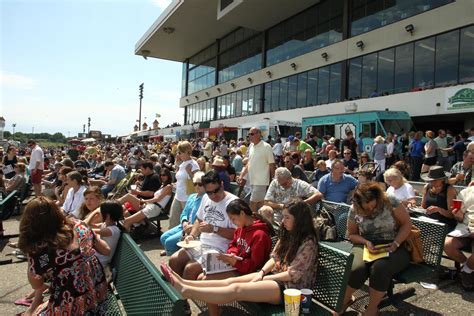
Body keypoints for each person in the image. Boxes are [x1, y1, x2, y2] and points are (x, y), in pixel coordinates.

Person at [160, 201, 318, 311]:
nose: (283, 221)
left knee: (236, 289)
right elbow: (274, 258)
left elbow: (293, 274)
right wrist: (262, 273)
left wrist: (263, 277)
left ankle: (185, 289)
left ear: (299, 219)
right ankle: (183, 283)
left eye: (287, 217)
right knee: (229, 281)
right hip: (274, 277)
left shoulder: (308, 242)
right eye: (283, 217)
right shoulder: (288, 235)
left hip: (291, 289)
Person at [18, 197, 109, 315]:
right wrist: (90, 238)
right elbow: (106, 250)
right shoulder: (80, 226)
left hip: (71, 306)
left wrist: (30, 258)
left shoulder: (40, 249)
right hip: (99, 298)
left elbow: (37, 284)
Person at [341, 183, 412, 316]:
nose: (370, 210)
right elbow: (352, 235)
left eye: (372, 206)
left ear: (377, 197)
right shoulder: (354, 209)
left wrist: (396, 243)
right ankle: (344, 301)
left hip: (394, 245)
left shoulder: (390, 200)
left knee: (379, 268)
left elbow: (407, 224)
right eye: (366, 208)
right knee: (357, 268)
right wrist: (366, 242)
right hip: (366, 244)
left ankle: (372, 308)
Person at [168, 170, 238, 280]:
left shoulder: (233, 203)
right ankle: (177, 293)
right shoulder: (205, 198)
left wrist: (214, 229)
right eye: (209, 192)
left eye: (216, 190)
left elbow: (237, 235)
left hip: (220, 248)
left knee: (190, 269)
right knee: (174, 260)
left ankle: (186, 294)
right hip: (201, 243)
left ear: (222, 185)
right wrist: (192, 235)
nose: (214, 195)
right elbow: (198, 220)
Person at [160, 171, 205, 256]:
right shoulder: (192, 196)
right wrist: (184, 221)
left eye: (200, 184)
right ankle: (171, 250)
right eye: (195, 184)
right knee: (163, 238)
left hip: (192, 228)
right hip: (184, 225)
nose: (197, 186)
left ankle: (172, 256)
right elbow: (184, 212)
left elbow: (202, 218)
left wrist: (191, 226)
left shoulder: (206, 199)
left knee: (169, 242)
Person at [238, 127, 276, 213]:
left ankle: (252, 222)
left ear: (259, 134)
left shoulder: (266, 146)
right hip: (252, 181)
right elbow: (249, 163)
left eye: (252, 134)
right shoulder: (251, 146)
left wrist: (273, 179)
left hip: (261, 182)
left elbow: (272, 164)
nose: (249, 136)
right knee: (260, 204)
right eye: (249, 135)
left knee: (252, 203)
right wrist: (241, 175)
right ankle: (261, 221)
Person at [444, 184, 474, 291]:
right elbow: (460, 219)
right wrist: (458, 215)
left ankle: (466, 271)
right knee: (448, 244)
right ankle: (468, 269)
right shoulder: (465, 192)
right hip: (465, 227)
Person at [169, 141, 200, 227]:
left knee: (186, 223)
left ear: (187, 152)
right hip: (178, 196)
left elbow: (198, 182)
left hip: (187, 198)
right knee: (173, 221)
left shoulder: (194, 164)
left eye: (180, 152)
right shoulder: (182, 163)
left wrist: (189, 172)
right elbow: (180, 178)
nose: (178, 154)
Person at [421, 166, 457, 231]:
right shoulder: (426, 187)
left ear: (442, 179)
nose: (432, 182)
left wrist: (439, 210)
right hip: (428, 222)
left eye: (435, 180)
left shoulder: (449, 190)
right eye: (430, 180)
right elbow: (423, 208)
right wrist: (413, 207)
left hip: (445, 224)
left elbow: (452, 215)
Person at [92, 200, 122, 267]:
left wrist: (93, 213)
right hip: (97, 256)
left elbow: (88, 230)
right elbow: (90, 225)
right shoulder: (105, 224)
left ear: (107, 216)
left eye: (101, 212)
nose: (100, 214)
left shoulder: (112, 230)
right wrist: (93, 214)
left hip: (101, 261)